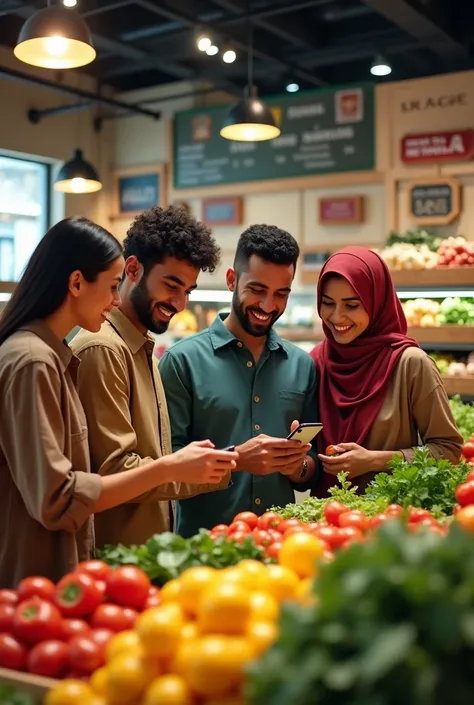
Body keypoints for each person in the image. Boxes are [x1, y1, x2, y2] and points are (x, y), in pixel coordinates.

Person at [0, 216, 236, 587]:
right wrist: (171, 468)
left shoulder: (54, 355)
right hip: (37, 580)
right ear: (77, 282)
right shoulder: (36, 359)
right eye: (112, 286)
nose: (114, 300)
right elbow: (60, 497)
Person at [70, 206, 237, 548]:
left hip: (142, 560)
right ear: (133, 269)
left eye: (188, 290)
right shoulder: (103, 348)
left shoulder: (142, 347)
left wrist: (205, 465)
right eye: (171, 285)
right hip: (111, 567)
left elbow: (151, 466)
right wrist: (197, 467)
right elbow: (114, 472)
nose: (179, 303)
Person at [159, 224, 319, 538]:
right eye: (257, 290)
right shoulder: (181, 362)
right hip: (203, 551)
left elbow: (313, 467)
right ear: (232, 279)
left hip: (279, 546)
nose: (268, 306)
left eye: (280, 294)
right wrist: (236, 460)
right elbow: (166, 468)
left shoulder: (302, 365)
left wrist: (297, 467)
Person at [310, 245, 463, 497]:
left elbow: (448, 450)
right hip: (326, 523)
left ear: (377, 302)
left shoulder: (410, 365)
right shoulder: (317, 361)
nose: (337, 317)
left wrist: (374, 460)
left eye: (352, 305)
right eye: (328, 303)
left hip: (392, 518)